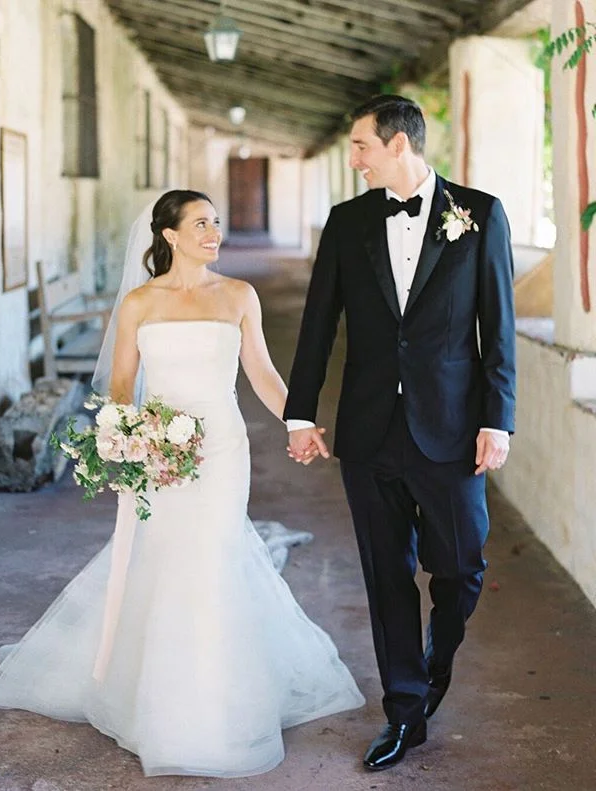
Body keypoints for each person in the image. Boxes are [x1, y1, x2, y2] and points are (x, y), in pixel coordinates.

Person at [0, 189, 364, 778]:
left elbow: (260, 372)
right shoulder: (139, 304)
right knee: (164, 562)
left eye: (217, 222)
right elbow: (119, 387)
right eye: (201, 223)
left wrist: (300, 421)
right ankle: (157, 696)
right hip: (159, 454)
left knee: (214, 558)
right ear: (170, 236)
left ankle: (216, 699)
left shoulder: (239, 295)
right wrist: (136, 441)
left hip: (222, 451)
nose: (215, 232)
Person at [284, 95, 516, 771]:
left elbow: (499, 331)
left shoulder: (481, 215)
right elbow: (319, 323)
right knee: (386, 576)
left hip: (451, 430)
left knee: (463, 564)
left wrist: (496, 419)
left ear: (398, 146)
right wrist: (302, 413)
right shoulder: (347, 222)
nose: (353, 158)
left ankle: (436, 662)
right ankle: (404, 710)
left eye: (360, 146)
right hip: (368, 433)